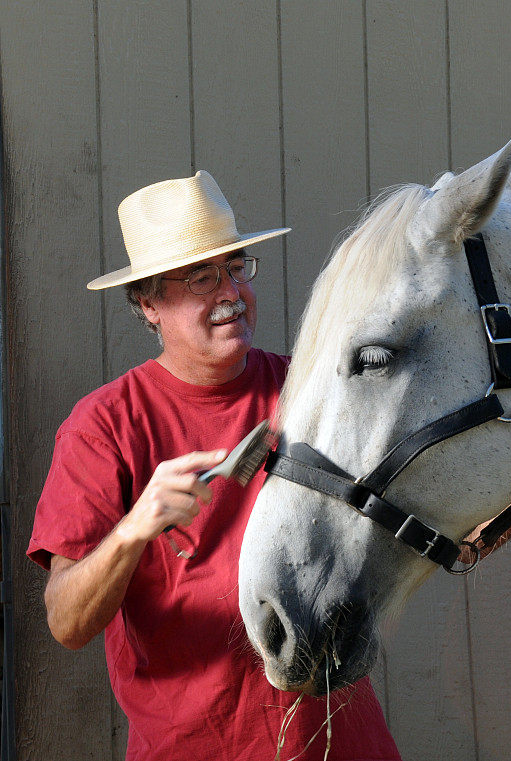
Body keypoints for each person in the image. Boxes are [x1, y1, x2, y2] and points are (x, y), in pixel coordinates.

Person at [27, 171, 402, 761]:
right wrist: (134, 529)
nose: (229, 292)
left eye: (236, 268)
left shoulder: (306, 389)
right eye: (201, 277)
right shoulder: (104, 427)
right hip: (196, 746)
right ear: (149, 303)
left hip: (339, 744)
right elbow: (67, 623)